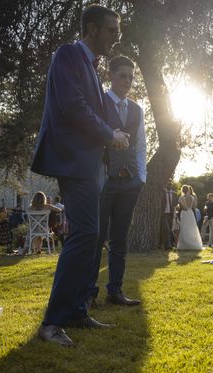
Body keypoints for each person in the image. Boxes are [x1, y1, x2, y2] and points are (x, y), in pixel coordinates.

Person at [31, 4, 130, 346]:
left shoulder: (90, 64)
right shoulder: (68, 55)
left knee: (91, 233)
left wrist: (114, 134)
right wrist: (109, 135)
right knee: (86, 232)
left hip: (87, 161)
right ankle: (52, 323)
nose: (116, 38)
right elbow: (74, 107)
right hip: (73, 159)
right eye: (112, 31)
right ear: (91, 29)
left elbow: (95, 108)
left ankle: (75, 311)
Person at [87, 55, 147, 308]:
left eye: (131, 77)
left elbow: (142, 144)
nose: (127, 81)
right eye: (122, 75)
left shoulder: (137, 109)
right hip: (104, 181)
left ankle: (115, 291)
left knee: (120, 239)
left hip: (130, 181)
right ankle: (89, 292)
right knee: (96, 237)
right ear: (111, 75)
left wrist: (141, 177)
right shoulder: (99, 102)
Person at [176, 185, 203, 250]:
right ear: (188, 190)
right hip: (190, 213)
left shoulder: (181, 198)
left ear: (182, 190)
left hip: (184, 213)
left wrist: (183, 207)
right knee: (192, 228)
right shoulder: (192, 197)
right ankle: (193, 243)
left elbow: (182, 207)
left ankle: (185, 244)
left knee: (184, 228)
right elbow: (194, 206)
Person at [162, 181, 178, 249]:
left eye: (170, 184)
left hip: (171, 214)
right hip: (164, 214)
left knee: (170, 230)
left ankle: (170, 244)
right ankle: (168, 245)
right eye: (168, 184)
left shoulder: (174, 193)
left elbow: (176, 203)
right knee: (167, 229)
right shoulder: (162, 192)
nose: (169, 185)